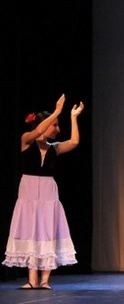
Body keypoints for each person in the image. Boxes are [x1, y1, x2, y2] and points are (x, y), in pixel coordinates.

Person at [3, 94, 84, 290]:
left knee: (47, 231)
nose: (57, 128)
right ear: (44, 124)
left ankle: (45, 279)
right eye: (54, 124)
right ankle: (32, 279)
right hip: (29, 191)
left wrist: (73, 117)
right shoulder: (26, 140)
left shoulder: (53, 148)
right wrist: (56, 111)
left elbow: (73, 142)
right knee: (31, 230)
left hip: (48, 193)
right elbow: (37, 130)